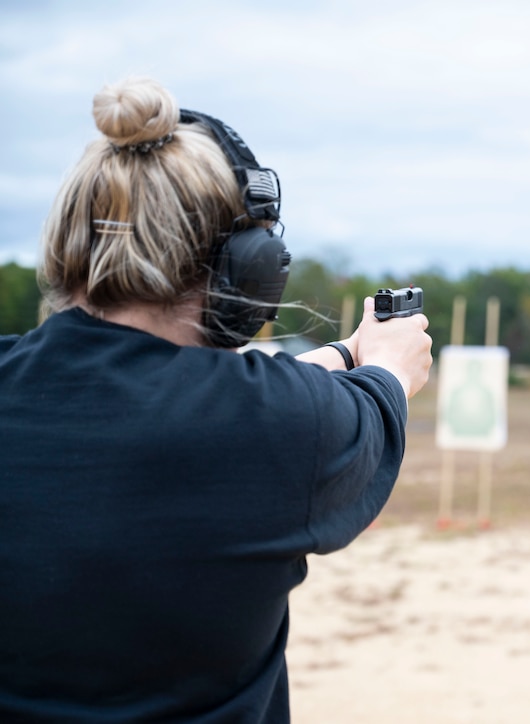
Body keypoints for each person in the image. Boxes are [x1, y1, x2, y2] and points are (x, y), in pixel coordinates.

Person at [0, 76, 432, 722]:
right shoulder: (285, 424)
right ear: (246, 268)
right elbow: (370, 409)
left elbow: (185, 399)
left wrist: (343, 353)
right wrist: (389, 363)